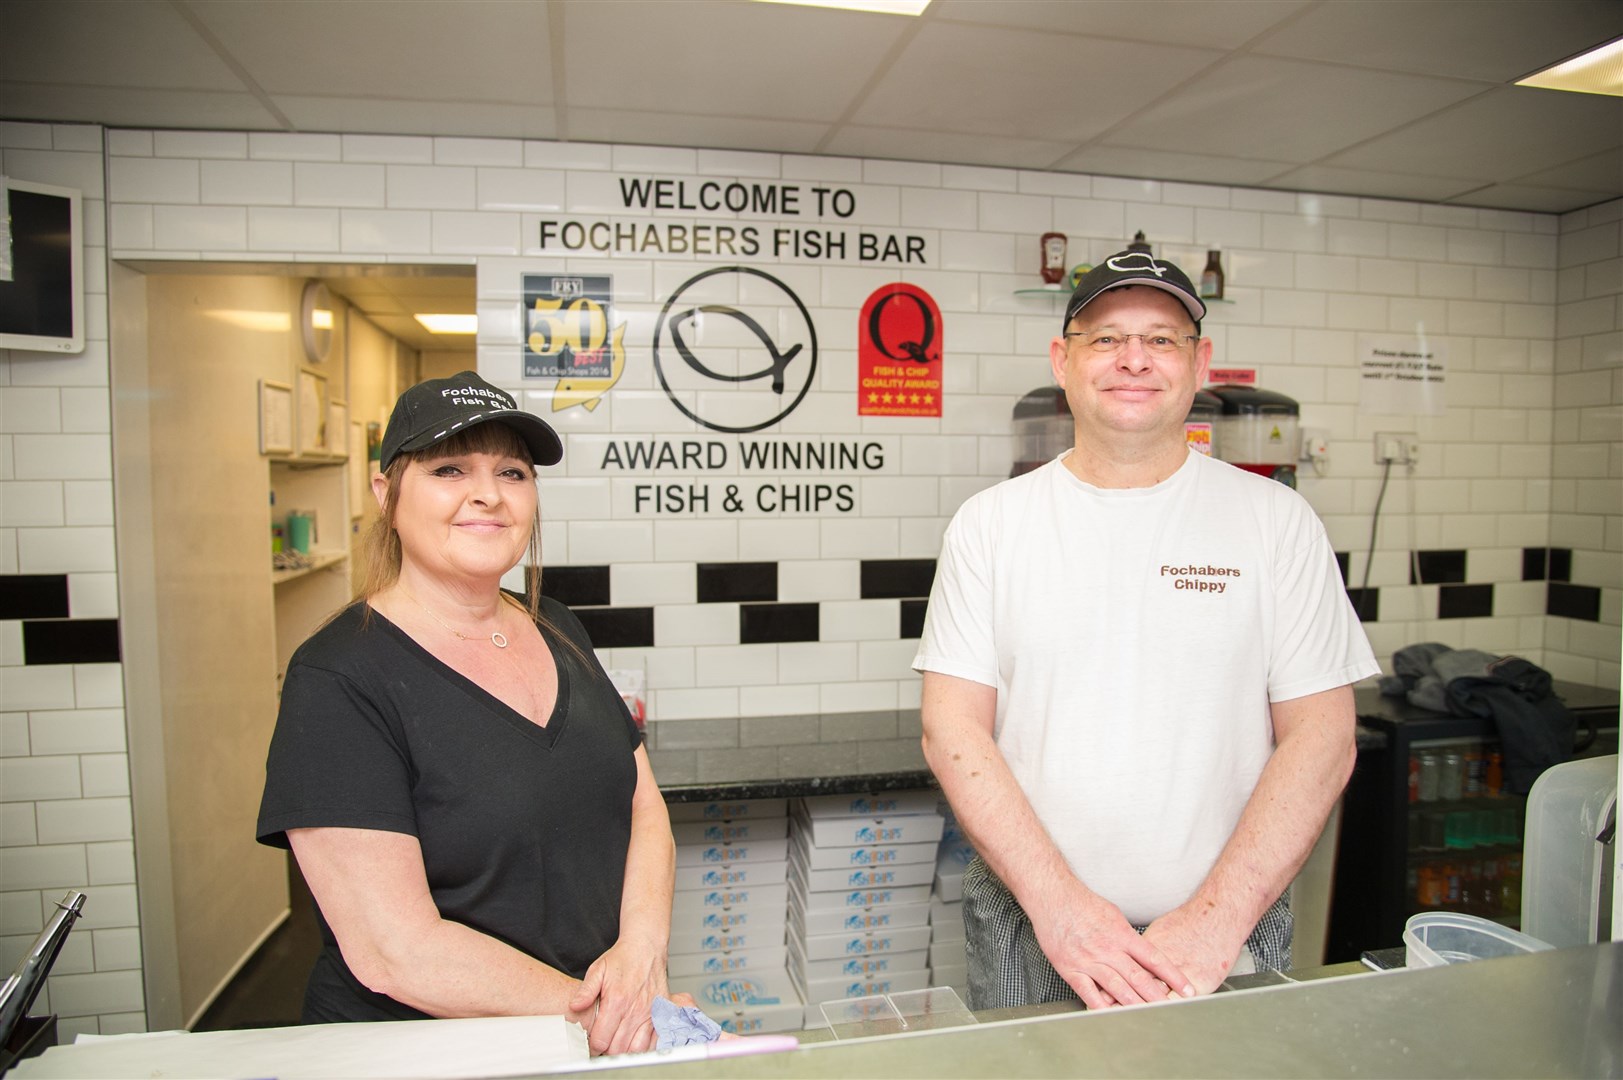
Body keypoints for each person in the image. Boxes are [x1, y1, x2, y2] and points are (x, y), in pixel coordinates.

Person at [913, 251, 1379, 1012]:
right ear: (1062, 361)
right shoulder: (991, 526)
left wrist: (1213, 921)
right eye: (1105, 338)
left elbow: (1322, 738)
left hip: (1229, 926)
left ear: (1199, 364)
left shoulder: (1275, 522)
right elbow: (951, 730)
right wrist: (1061, 908)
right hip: (1031, 922)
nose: (1133, 359)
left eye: (1161, 339)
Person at [257, 371, 675, 1055]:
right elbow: (396, 951)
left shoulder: (560, 626)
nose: (487, 493)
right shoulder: (337, 678)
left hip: (586, 1036)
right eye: (449, 468)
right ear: (386, 493)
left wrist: (641, 952)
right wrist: (605, 1010)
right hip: (423, 1052)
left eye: (511, 472)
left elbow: (644, 809)